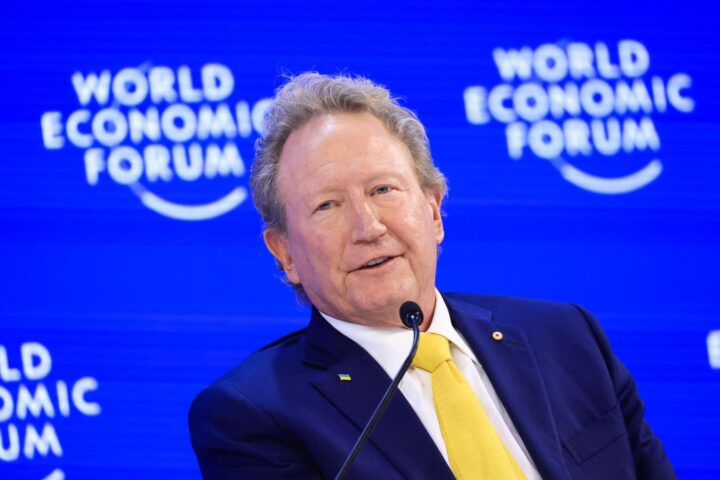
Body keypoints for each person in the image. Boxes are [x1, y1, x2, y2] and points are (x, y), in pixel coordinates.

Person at [189, 72, 675, 479]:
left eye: (383, 189)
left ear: (434, 210)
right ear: (285, 253)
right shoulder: (252, 414)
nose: (368, 227)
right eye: (327, 206)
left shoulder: (566, 337)